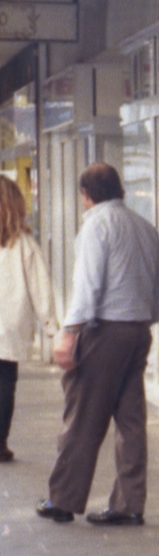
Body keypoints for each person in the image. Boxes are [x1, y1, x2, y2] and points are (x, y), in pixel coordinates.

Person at [36, 163, 159, 526]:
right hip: (138, 329)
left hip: (105, 330)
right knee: (131, 420)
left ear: (86, 194)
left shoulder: (96, 225)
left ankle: (63, 499)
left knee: (83, 416)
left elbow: (88, 283)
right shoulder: (145, 227)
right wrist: (145, 319)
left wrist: (70, 331)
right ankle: (129, 503)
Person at [0, 177, 58, 462]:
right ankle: (0, 443)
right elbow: (40, 285)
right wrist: (50, 325)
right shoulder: (24, 245)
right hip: (10, 327)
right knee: (5, 381)